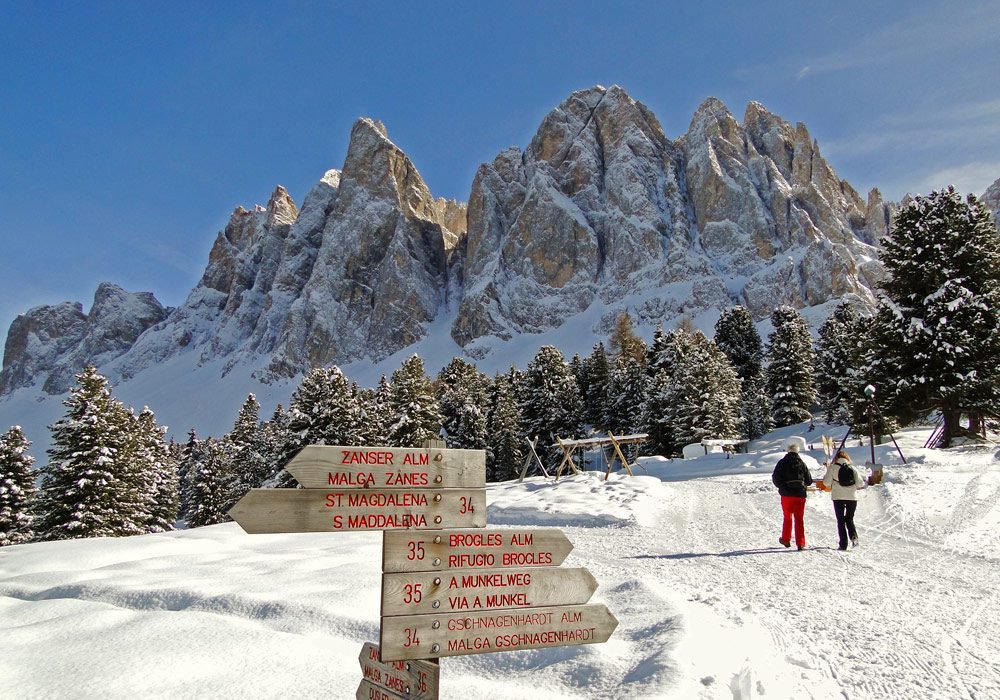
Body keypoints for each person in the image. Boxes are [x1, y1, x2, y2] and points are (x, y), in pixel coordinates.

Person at [772, 443, 813, 550]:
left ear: (788, 451)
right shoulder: (802, 463)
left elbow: (775, 478)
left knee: (787, 517)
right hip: (800, 494)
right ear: (797, 451)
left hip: (786, 494)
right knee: (799, 519)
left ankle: (786, 539)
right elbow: (809, 480)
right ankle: (800, 543)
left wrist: (781, 486)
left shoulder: (782, 462)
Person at [823, 450, 865, 550]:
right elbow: (860, 484)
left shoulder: (832, 468)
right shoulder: (852, 468)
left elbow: (826, 483)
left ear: (836, 458)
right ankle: (854, 537)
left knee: (840, 520)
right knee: (849, 519)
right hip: (852, 497)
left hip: (838, 497)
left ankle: (843, 544)